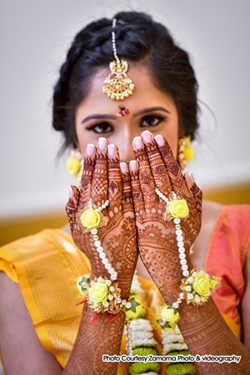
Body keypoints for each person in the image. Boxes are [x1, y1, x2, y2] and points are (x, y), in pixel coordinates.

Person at [0, 11, 250, 375]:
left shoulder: (243, 236)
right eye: (101, 127)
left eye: (150, 121)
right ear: (74, 141)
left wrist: (174, 274)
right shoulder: (22, 270)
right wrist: (108, 280)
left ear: (185, 126)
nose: (130, 150)